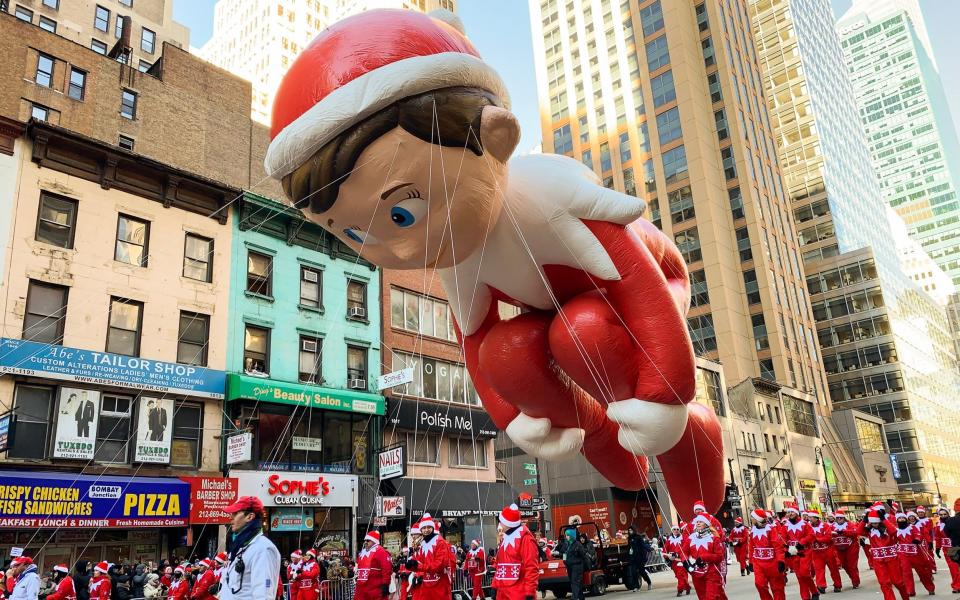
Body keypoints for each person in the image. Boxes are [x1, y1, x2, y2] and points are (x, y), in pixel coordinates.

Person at [219, 496, 281, 600]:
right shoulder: (239, 547)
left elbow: (263, 596)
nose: (231, 517)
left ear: (250, 517)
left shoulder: (263, 549)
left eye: (235, 513)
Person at [491, 504, 539, 600]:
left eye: (501, 521)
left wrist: (529, 592)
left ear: (508, 523)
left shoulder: (526, 539)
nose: (499, 523)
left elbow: (531, 567)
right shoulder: (504, 538)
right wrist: (495, 586)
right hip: (502, 591)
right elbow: (500, 566)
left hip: (518, 592)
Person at [860, 509, 908, 600]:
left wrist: (883, 519)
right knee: (884, 583)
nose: (874, 525)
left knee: (898, 582)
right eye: (872, 523)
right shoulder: (869, 531)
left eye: (876, 523)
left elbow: (893, 531)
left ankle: (905, 597)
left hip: (892, 559)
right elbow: (858, 532)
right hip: (878, 561)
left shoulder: (888, 529)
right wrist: (864, 520)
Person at [408, 514, 453, 600]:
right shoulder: (423, 543)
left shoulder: (440, 542)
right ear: (421, 529)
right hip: (426, 584)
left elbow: (439, 564)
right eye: (424, 528)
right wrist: (411, 566)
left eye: (429, 527)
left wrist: (419, 566)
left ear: (432, 528)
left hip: (440, 584)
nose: (426, 530)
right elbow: (419, 561)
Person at [683, 515, 726, 600]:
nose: (698, 523)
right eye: (697, 522)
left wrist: (703, 557)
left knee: (711, 597)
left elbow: (720, 556)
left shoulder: (714, 538)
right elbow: (683, 552)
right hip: (696, 573)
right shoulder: (691, 538)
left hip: (712, 572)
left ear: (706, 524)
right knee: (703, 597)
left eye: (701, 521)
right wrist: (686, 563)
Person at [781, 502, 817, 600]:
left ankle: (813, 591)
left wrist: (801, 543)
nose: (790, 514)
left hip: (805, 552)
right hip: (793, 554)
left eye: (792, 512)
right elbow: (783, 539)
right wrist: (786, 549)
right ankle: (806, 596)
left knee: (805, 573)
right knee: (800, 576)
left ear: (797, 513)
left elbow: (811, 535)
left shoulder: (805, 524)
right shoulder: (785, 526)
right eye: (789, 512)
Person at [746, 508, 784, 600]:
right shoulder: (753, 531)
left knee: (777, 588)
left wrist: (781, 561)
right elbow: (751, 548)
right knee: (759, 584)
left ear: (758, 519)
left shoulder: (771, 530)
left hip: (773, 563)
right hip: (758, 563)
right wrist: (750, 561)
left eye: (752, 517)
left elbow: (778, 546)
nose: (751, 519)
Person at [894, 511, 935, 596]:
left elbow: (918, 534)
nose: (901, 520)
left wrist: (917, 539)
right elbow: (893, 539)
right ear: (897, 520)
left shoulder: (912, 527)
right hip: (903, 553)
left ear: (906, 519)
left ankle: (930, 588)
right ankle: (910, 590)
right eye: (899, 518)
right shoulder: (895, 530)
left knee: (922, 572)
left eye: (903, 518)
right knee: (906, 572)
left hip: (916, 553)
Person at [809, 511, 842, 593]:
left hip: (828, 551)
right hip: (816, 552)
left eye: (811, 517)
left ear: (816, 518)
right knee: (819, 570)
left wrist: (816, 539)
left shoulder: (825, 525)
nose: (809, 519)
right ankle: (821, 586)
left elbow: (828, 537)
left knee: (833, 569)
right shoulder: (808, 527)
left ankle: (837, 585)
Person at [356, 531, 392, 600]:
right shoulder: (362, 552)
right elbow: (358, 566)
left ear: (374, 541)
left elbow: (386, 569)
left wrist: (385, 584)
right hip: (361, 588)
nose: (365, 542)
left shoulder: (380, 551)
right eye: (365, 540)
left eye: (368, 540)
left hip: (374, 588)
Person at [831, 509, 861, 589]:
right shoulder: (832, 526)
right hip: (839, 548)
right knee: (844, 565)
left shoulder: (850, 524)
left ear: (844, 518)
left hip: (852, 547)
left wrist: (844, 532)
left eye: (841, 518)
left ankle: (855, 581)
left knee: (852, 565)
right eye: (838, 518)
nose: (839, 519)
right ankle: (853, 577)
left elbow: (856, 532)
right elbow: (827, 533)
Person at [556, 529, 587, 600]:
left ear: (572, 536)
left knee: (574, 582)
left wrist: (581, 564)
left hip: (577, 566)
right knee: (575, 582)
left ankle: (574, 598)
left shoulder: (577, 544)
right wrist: (564, 561)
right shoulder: (566, 544)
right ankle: (581, 597)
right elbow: (563, 553)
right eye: (566, 535)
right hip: (569, 566)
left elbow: (583, 555)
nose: (566, 537)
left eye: (568, 535)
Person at [662, 524, 691, 597]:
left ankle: (680, 590)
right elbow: (665, 549)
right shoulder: (669, 540)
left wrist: (680, 554)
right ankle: (687, 587)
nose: (676, 531)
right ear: (672, 530)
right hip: (673, 561)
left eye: (677, 529)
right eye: (674, 529)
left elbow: (687, 547)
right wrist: (667, 556)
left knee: (681, 575)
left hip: (682, 560)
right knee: (679, 576)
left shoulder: (683, 538)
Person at [625, 526, 652, 591]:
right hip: (633, 558)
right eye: (629, 530)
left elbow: (643, 546)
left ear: (634, 530)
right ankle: (636, 586)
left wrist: (648, 550)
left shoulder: (638, 537)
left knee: (642, 572)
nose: (630, 532)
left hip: (640, 557)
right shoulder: (629, 538)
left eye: (631, 530)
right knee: (633, 572)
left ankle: (649, 582)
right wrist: (628, 556)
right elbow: (629, 547)